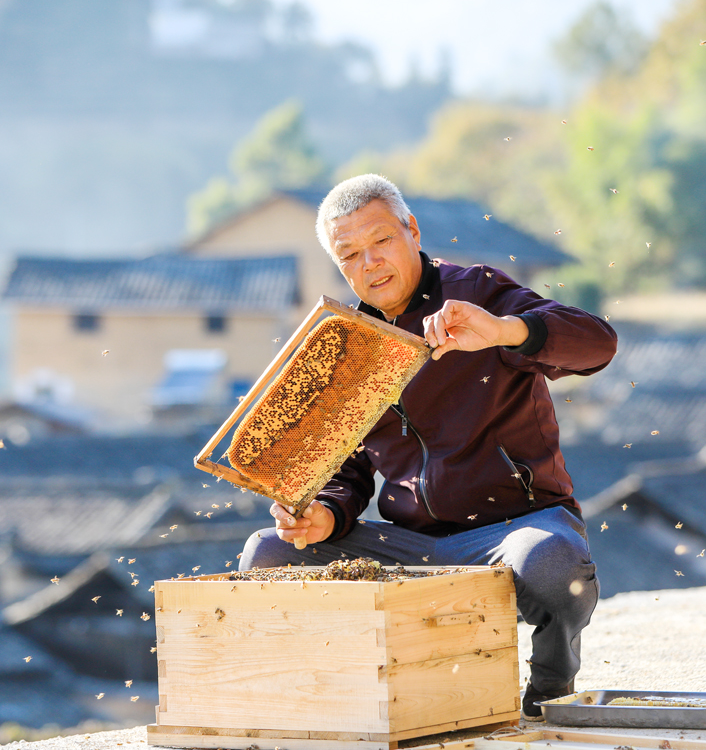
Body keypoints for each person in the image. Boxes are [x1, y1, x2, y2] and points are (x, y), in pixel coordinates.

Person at [239, 174, 618, 720]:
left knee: (553, 561)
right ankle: (326, 703)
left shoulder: (479, 293)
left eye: (382, 241)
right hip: (409, 545)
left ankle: (549, 691)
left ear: (412, 230)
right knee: (268, 554)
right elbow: (345, 472)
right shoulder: (344, 344)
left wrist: (504, 331)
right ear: (338, 265)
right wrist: (325, 513)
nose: (370, 263)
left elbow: (597, 343)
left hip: (513, 531)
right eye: (350, 254)